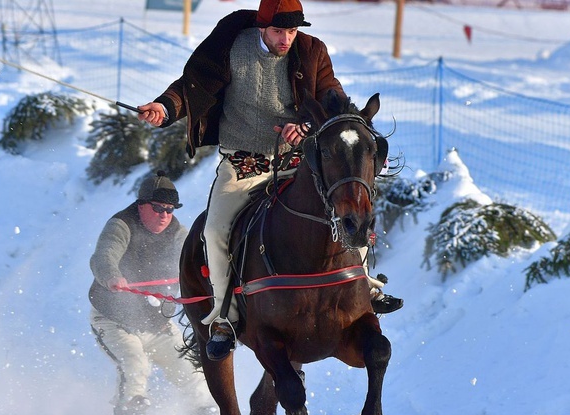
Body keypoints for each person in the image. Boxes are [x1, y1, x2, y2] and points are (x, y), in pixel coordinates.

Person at [137, 0, 403, 362]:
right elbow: (194, 86)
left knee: (349, 207)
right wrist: (165, 107)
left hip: (297, 165)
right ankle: (224, 317)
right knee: (214, 231)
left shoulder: (313, 51)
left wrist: (306, 125)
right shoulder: (231, 43)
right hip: (243, 166)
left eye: (293, 31)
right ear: (262, 26)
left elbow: (334, 101)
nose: (287, 39)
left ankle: (366, 287)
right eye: (280, 31)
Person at [88, 170, 197, 415]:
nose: (164, 215)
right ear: (141, 205)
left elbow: (195, 258)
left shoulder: (177, 231)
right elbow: (103, 256)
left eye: (170, 210)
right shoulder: (121, 225)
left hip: (157, 325)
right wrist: (112, 276)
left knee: (194, 377)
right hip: (113, 321)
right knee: (135, 367)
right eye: (158, 208)